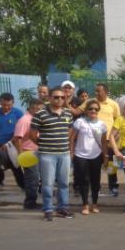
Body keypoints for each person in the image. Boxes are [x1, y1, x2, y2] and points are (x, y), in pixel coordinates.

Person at [30, 87, 74, 221]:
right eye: (56, 97)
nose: (60, 99)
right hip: (47, 154)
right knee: (47, 184)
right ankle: (48, 209)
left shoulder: (67, 113)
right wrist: (44, 145)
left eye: (62, 97)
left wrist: (65, 143)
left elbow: (70, 129)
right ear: (49, 98)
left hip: (64, 154)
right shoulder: (41, 114)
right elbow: (32, 135)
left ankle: (62, 208)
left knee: (64, 183)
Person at [70, 100, 107, 216]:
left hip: (96, 155)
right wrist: (72, 153)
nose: (93, 111)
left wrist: (105, 156)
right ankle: (85, 204)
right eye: (91, 108)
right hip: (81, 155)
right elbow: (72, 138)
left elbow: (104, 142)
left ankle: (94, 204)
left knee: (95, 180)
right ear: (86, 110)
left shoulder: (102, 124)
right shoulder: (80, 122)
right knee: (84, 180)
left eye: (96, 109)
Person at [13, 98, 44, 210]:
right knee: (32, 179)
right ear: (31, 107)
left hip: (38, 152)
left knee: (38, 178)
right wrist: (21, 155)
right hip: (29, 154)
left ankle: (33, 200)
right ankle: (30, 202)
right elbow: (17, 138)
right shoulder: (25, 120)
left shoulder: (36, 119)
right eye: (38, 109)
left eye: (42, 109)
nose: (40, 111)